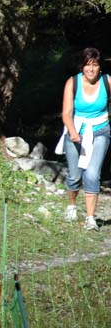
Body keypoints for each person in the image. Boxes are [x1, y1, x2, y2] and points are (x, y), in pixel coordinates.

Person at [56, 47, 110, 231]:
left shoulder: (107, 81)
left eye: (95, 65)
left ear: (100, 67)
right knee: (75, 176)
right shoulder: (73, 82)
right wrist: (72, 132)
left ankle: (90, 218)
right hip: (76, 130)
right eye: (87, 65)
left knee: (92, 174)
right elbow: (66, 113)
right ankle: (71, 206)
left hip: (100, 131)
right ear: (82, 67)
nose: (91, 69)